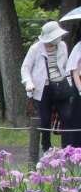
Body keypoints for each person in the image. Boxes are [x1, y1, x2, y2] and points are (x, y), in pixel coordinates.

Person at [22, 21, 71, 152]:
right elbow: (25, 68)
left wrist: (70, 83)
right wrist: (29, 82)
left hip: (60, 86)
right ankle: (46, 148)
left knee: (67, 116)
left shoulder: (63, 46)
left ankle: (67, 149)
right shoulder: (35, 48)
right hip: (42, 89)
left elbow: (65, 67)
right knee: (45, 120)